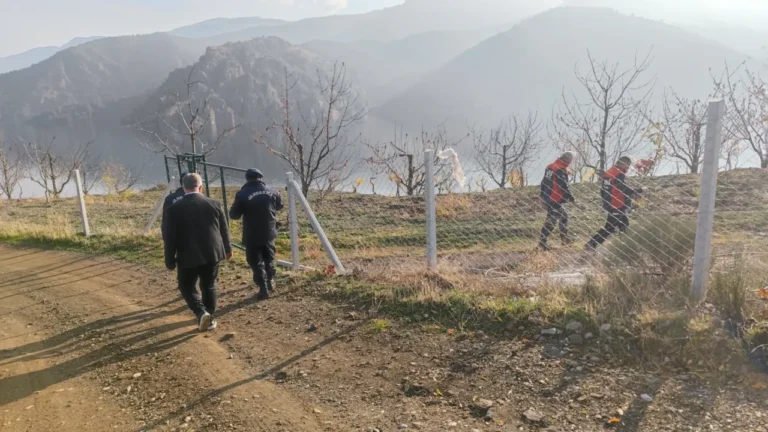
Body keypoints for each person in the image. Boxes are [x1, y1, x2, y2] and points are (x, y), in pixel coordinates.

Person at [164, 173, 233, 332]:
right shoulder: (214, 204)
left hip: (187, 255)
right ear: (200, 187)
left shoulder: (174, 208)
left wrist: (170, 259)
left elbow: (170, 237)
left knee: (186, 286)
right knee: (208, 285)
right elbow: (224, 229)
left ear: (183, 187)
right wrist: (228, 249)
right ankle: (209, 316)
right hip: (212, 253)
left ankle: (201, 312)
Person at [229, 169, 284, 301]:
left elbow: (234, 215)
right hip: (269, 231)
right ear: (261, 177)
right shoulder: (273, 190)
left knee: (255, 261)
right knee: (269, 257)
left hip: (252, 233)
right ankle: (270, 280)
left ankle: (263, 288)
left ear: (247, 179)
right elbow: (280, 206)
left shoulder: (242, 193)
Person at [585, 156, 643, 251]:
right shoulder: (618, 174)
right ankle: (591, 244)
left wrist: (606, 203)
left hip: (611, 204)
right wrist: (637, 191)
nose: (628, 168)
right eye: (627, 165)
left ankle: (626, 247)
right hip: (617, 205)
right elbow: (622, 187)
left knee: (621, 227)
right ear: (623, 164)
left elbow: (604, 190)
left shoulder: (609, 172)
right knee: (612, 228)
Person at [539, 152, 575, 251]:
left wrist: (542, 196)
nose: (571, 162)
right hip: (555, 198)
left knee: (563, 216)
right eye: (571, 160)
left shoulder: (550, 166)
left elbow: (544, 182)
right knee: (552, 220)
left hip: (548, 196)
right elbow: (562, 184)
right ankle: (543, 242)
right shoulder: (559, 169)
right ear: (567, 159)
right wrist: (570, 197)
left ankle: (564, 240)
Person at [161, 172, 187, 239]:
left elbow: (165, 220)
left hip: (175, 235)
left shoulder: (170, 198)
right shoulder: (200, 200)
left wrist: (166, 238)